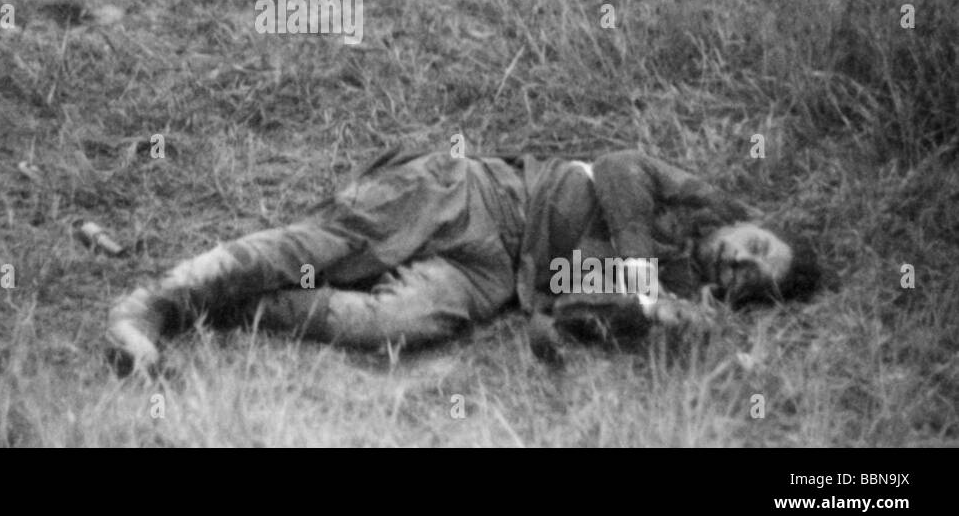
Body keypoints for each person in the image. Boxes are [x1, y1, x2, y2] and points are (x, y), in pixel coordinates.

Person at [105, 146, 821, 374]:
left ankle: (225, 307)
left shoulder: (681, 291)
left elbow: (567, 307)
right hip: (475, 194)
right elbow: (618, 166)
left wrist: (646, 316)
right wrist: (638, 277)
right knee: (323, 249)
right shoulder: (688, 197)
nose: (743, 263)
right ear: (749, 223)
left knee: (392, 324)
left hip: (498, 275)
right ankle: (156, 302)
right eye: (757, 247)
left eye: (756, 281)